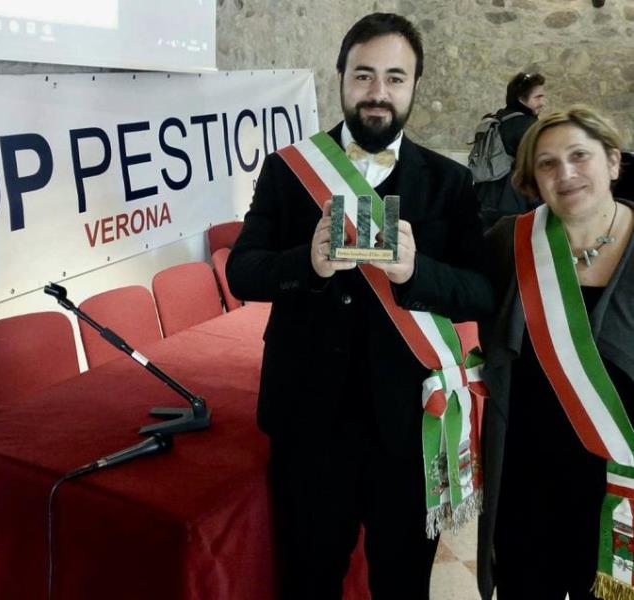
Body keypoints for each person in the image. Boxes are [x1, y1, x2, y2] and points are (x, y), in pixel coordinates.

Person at [226, 12, 494, 600]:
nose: (378, 92)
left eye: (395, 78)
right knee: (308, 580)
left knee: (402, 583)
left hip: (410, 425)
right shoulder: (289, 169)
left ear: (415, 84)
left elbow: (482, 290)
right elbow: (241, 271)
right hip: (309, 421)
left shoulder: (449, 182)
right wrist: (308, 263)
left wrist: (417, 273)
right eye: (364, 75)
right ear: (341, 77)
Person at [477, 106, 634, 600]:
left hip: (620, 488)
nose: (565, 173)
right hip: (528, 481)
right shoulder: (509, 242)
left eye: (579, 156)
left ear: (613, 161)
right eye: (547, 163)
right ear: (532, 179)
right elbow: (455, 295)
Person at [475, 72, 546, 231]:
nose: (543, 102)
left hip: (484, 199)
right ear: (521, 98)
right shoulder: (527, 126)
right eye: (538, 97)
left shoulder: (498, 118)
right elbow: (533, 170)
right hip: (513, 205)